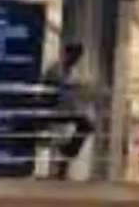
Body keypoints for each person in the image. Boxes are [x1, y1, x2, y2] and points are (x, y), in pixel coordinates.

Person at [43, 42, 94, 180]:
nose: (75, 60)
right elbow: (56, 84)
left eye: (77, 57)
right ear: (67, 54)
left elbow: (75, 87)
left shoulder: (72, 71)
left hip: (68, 110)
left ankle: (67, 155)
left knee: (86, 126)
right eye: (74, 56)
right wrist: (73, 85)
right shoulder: (55, 68)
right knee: (70, 132)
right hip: (54, 109)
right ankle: (64, 158)